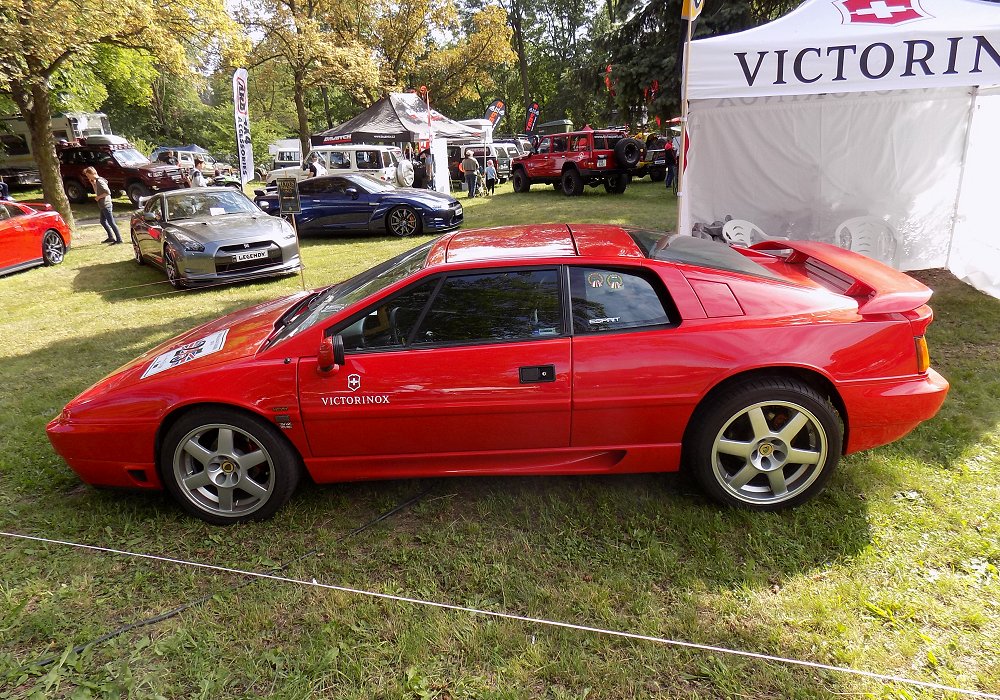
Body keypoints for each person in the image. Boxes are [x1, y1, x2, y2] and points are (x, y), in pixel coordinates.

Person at [83, 166, 122, 244]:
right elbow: (97, 192)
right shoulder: (96, 181)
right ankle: (111, 237)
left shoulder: (100, 181)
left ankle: (119, 239)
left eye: (88, 175)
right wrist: (93, 184)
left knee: (111, 222)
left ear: (92, 173)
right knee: (103, 221)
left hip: (106, 204)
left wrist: (98, 197)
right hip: (102, 205)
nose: (87, 177)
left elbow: (108, 192)